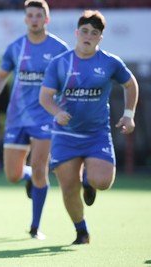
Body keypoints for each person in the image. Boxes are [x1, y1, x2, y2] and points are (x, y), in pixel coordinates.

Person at [39, 10, 139, 244]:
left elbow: (131, 84)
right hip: (65, 135)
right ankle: (81, 231)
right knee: (68, 188)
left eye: (94, 33)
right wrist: (57, 112)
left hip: (96, 134)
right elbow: (45, 97)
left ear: (100, 38)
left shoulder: (110, 62)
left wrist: (129, 115)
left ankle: (89, 182)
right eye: (84, 31)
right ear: (77, 33)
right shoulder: (60, 63)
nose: (88, 36)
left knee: (103, 182)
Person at [0, 0, 69, 240]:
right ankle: (27, 177)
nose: (34, 19)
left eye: (38, 15)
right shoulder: (16, 47)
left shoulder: (60, 49)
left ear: (46, 19)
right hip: (17, 117)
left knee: (41, 168)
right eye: (30, 15)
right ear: (25, 19)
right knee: (12, 175)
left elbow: (69, 82)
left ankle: (35, 227)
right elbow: (1, 77)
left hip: (45, 117)